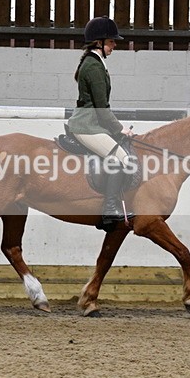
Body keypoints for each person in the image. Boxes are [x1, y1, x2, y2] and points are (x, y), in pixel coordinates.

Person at [66, 16, 135, 229]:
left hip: (93, 124)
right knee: (123, 158)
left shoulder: (95, 62)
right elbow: (101, 108)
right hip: (87, 126)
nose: (114, 45)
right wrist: (120, 128)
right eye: (111, 41)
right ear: (99, 42)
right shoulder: (94, 66)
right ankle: (110, 208)